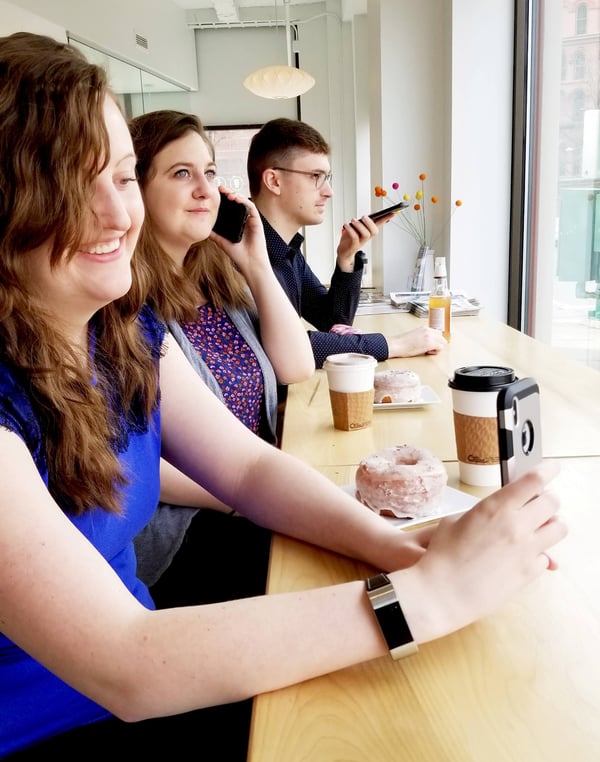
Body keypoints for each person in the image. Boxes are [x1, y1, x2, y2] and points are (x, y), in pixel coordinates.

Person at [0, 32, 567, 759]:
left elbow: (248, 469)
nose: (117, 216)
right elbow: (127, 661)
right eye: (69, 187)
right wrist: (435, 594)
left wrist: (395, 549)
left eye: (117, 177)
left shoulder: (120, 329)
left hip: (141, 690)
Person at [127, 109, 314, 590]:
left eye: (209, 173)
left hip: (254, 490)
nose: (205, 190)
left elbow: (296, 367)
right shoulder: (124, 303)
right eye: (181, 173)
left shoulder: (217, 281)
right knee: (318, 569)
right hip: (186, 527)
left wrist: (255, 264)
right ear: (136, 188)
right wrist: (247, 499)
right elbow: (140, 462)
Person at [247, 117, 448, 368]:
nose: (329, 191)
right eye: (316, 176)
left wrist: (347, 257)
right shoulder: (241, 253)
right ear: (274, 181)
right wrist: (393, 345)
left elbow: (333, 321)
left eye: (327, 177)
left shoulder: (285, 250)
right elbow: (284, 347)